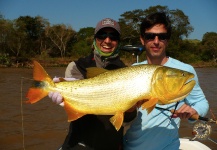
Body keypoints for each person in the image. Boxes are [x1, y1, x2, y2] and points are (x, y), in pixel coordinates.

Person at [123, 12, 209, 150]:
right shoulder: (133, 70)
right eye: (150, 36)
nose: (156, 41)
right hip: (131, 146)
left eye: (162, 36)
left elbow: (202, 103)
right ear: (142, 39)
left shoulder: (185, 71)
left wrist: (193, 110)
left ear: (167, 40)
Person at [48, 18, 137, 150]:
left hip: (111, 144)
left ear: (118, 42)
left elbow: (127, 121)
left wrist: (130, 108)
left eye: (113, 36)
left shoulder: (127, 72)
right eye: (102, 35)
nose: (107, 40)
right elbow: (74, 110)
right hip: (79, 144)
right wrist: (65, 97)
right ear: (95, 39)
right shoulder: (76, 66)